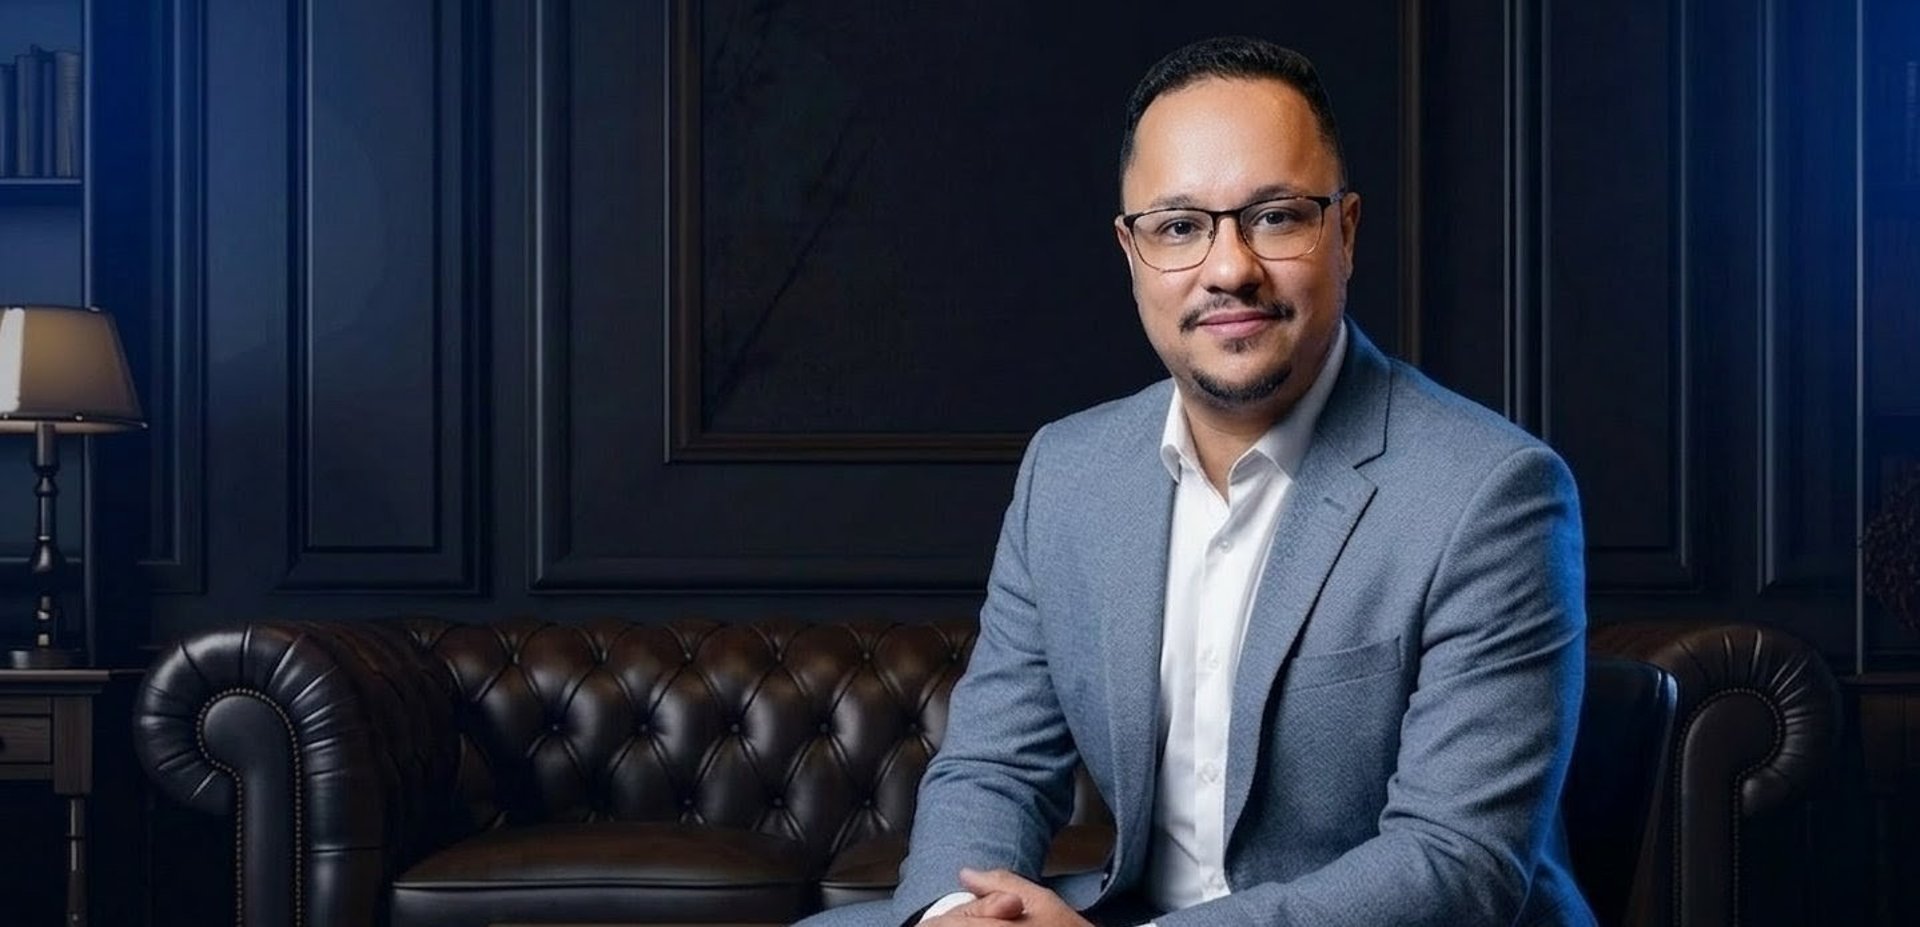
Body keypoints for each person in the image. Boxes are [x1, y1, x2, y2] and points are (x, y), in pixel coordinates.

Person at [799, 36, 1594, 927]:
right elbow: (995, 766)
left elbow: (1454, 866)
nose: (1228, 269)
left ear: (1346, 232)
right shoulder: (1068, 472)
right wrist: (956, 913)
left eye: (1277, 217)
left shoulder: (1492, 493)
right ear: (1131, 251)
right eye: (1179, 226)